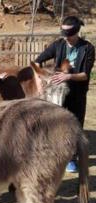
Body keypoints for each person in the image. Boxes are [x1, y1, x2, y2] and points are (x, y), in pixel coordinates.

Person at [35, 16, 95, 173]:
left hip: (77, 93)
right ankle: (55, 155)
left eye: (68, 33)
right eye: (63, 33)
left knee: (75, 125)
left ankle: (72, 157)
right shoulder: (59, 45)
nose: (65, 37)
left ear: (76, 32)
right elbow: (36, 62)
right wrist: (39, 82)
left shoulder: (87, 48)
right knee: (56, 123)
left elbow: (85, 75)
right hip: (58, 94)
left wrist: (68, 76)